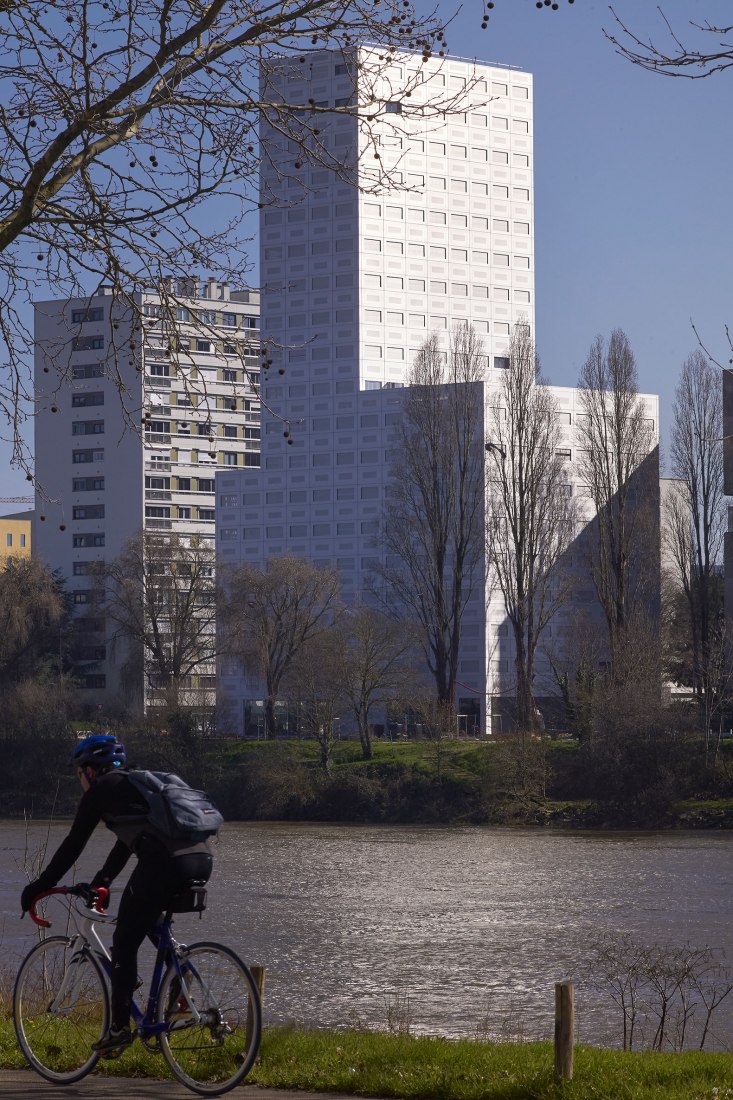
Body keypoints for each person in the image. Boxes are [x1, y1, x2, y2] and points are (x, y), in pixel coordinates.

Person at [20, 734, 214, 1056]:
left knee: (124, 936)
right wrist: (104, 880)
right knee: (147, 917)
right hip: (200, 859)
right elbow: (128, 842)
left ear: (90, 770)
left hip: (164, 862)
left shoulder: (101, 791)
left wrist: (39, 885)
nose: (79, 780)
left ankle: (119, 1028)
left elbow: (73, 844)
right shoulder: (136, 786)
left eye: (78, 772)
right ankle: (179, 986)